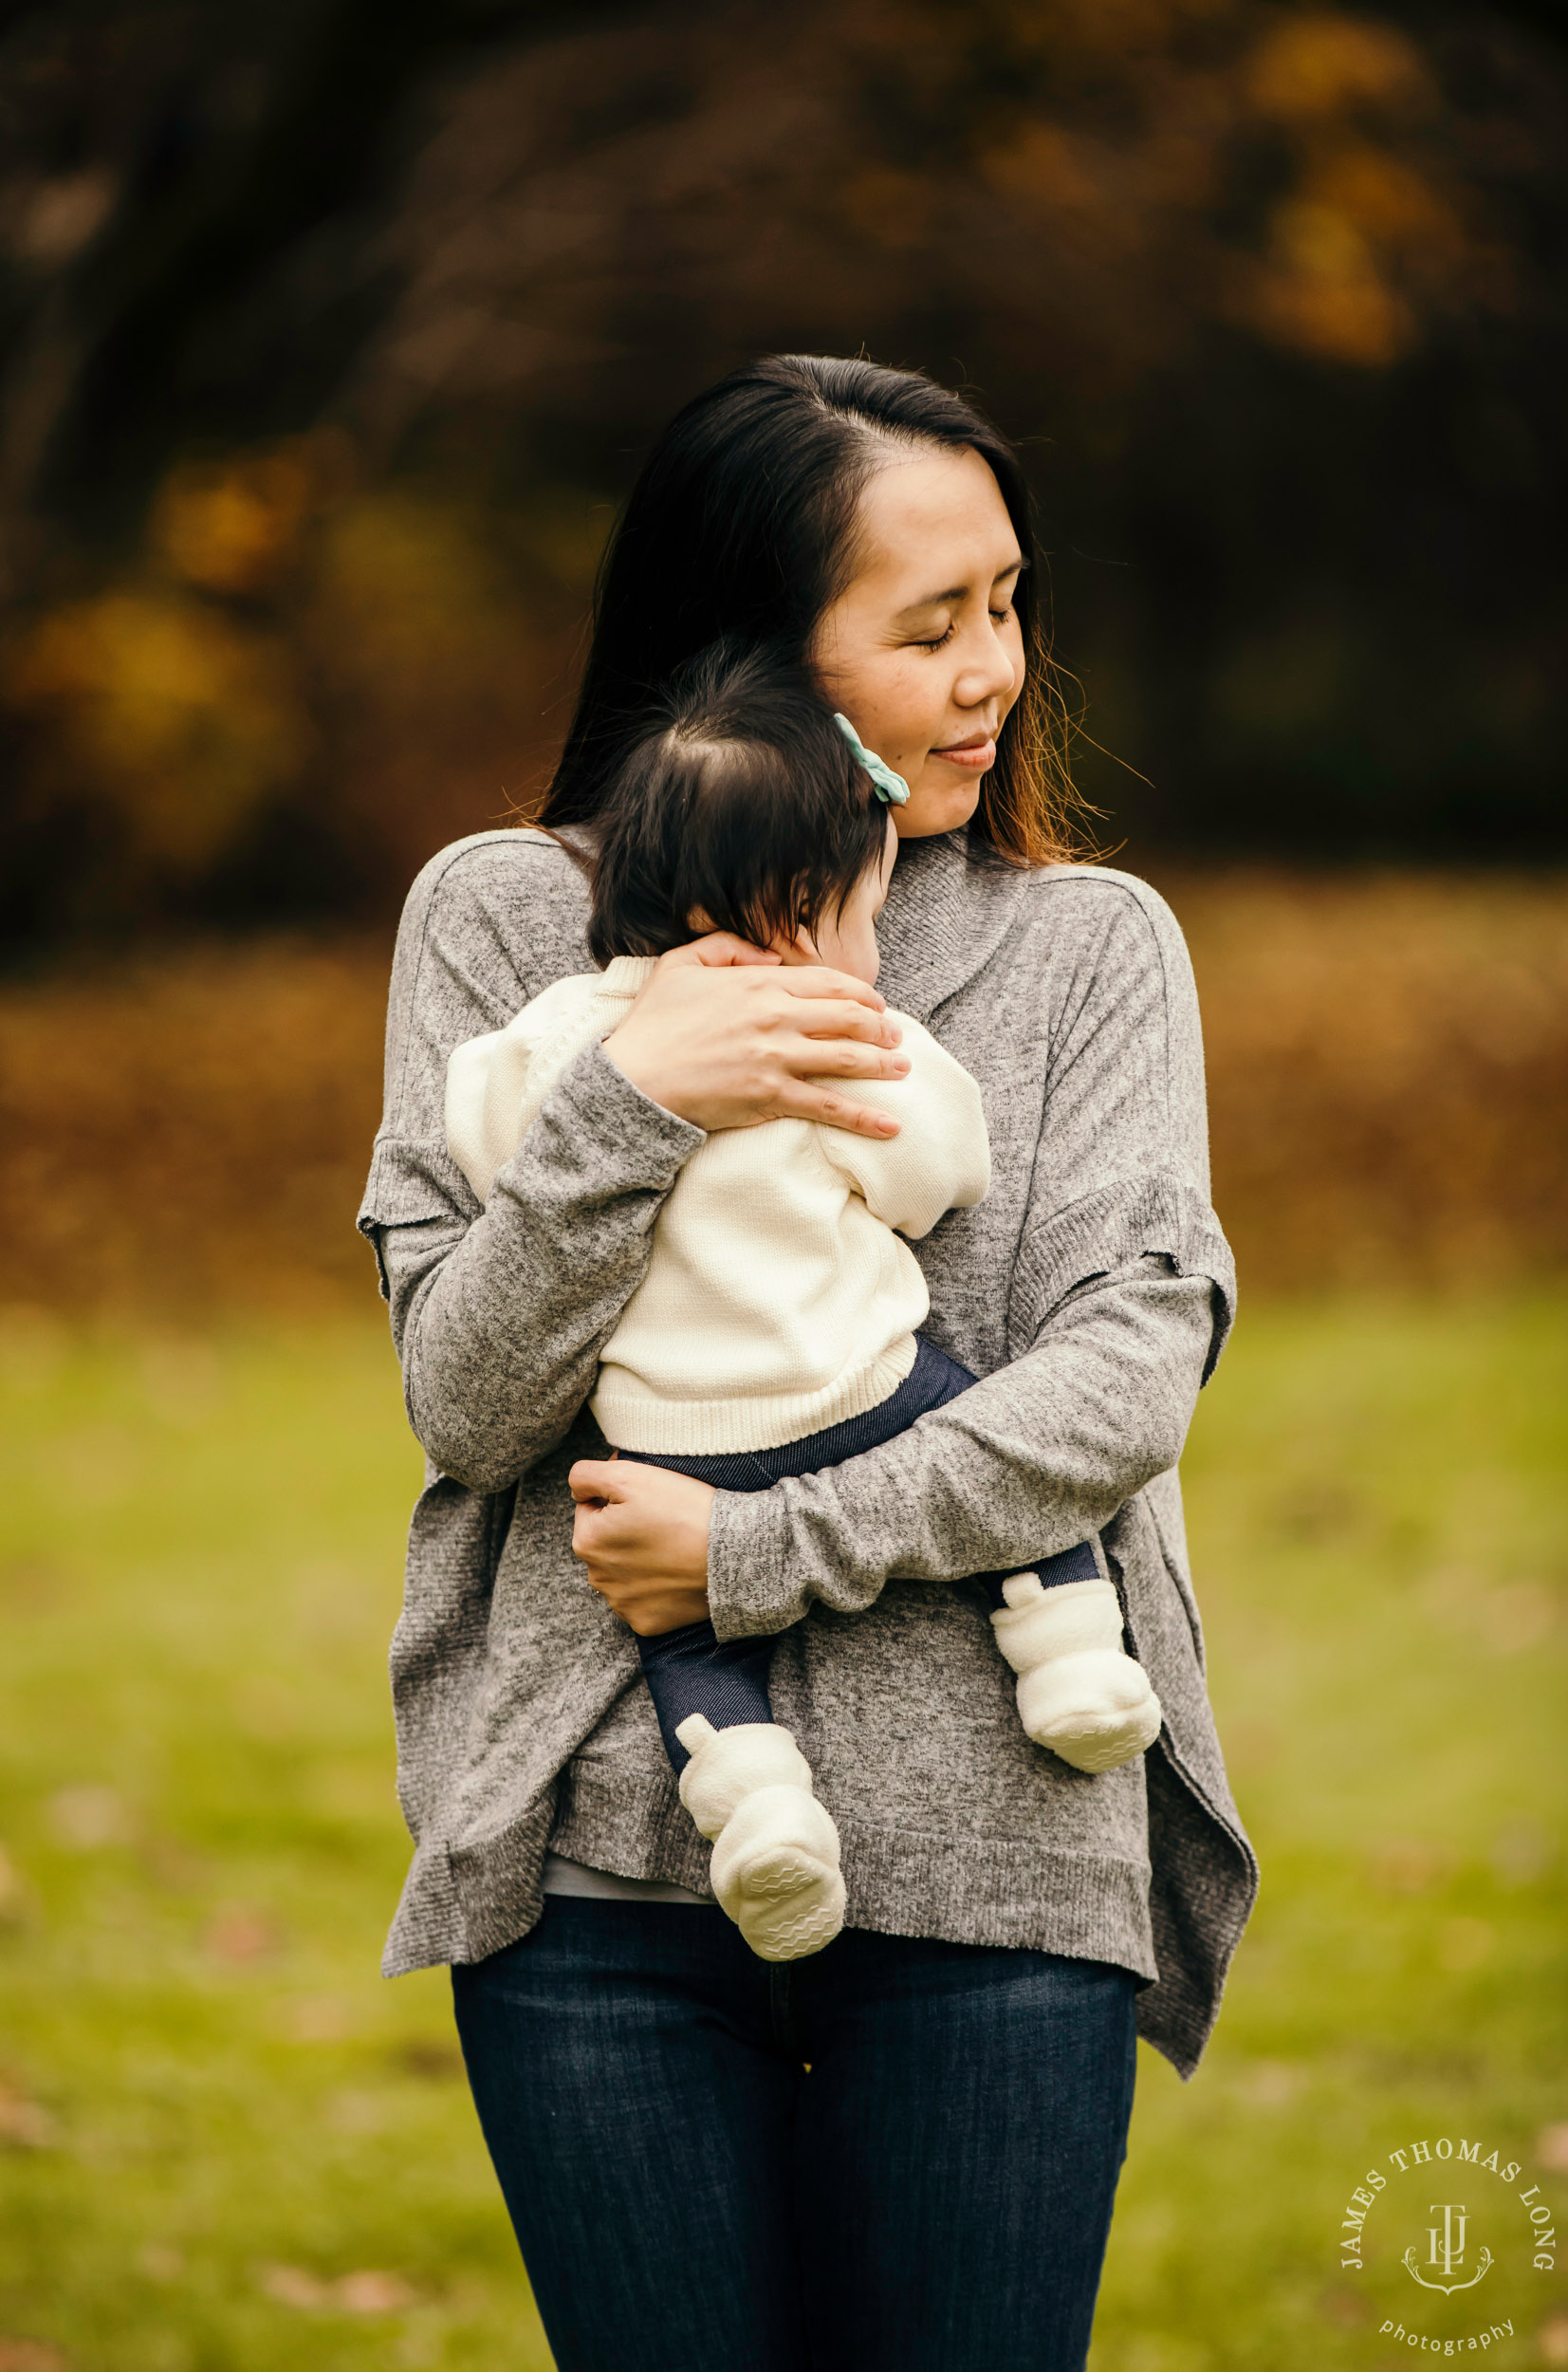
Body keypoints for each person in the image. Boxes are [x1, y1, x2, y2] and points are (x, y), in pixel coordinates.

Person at [360, 354, 1257, 2372]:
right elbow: (470, 1402)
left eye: (1006, 602)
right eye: (927, 625)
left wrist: (751, 1553)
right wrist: (638, 1102)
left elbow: (1120, 1381)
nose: (994, 670)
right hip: (601, 1881)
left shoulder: (1085, 947)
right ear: (749, 661)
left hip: (1005, 1865)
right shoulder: (505, 922)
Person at [441, 643, 1163, 1965]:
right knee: (988, 1433)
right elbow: (937, 1173)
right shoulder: (836, 1029)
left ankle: (756, 1807)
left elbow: (484, 1134)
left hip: (661, 1442)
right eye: (865, 910)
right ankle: (1066, 1649)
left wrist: (611, 1091)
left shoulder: (562, 1033)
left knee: (680, 1632)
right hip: (857, 1394)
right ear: (800, 910)